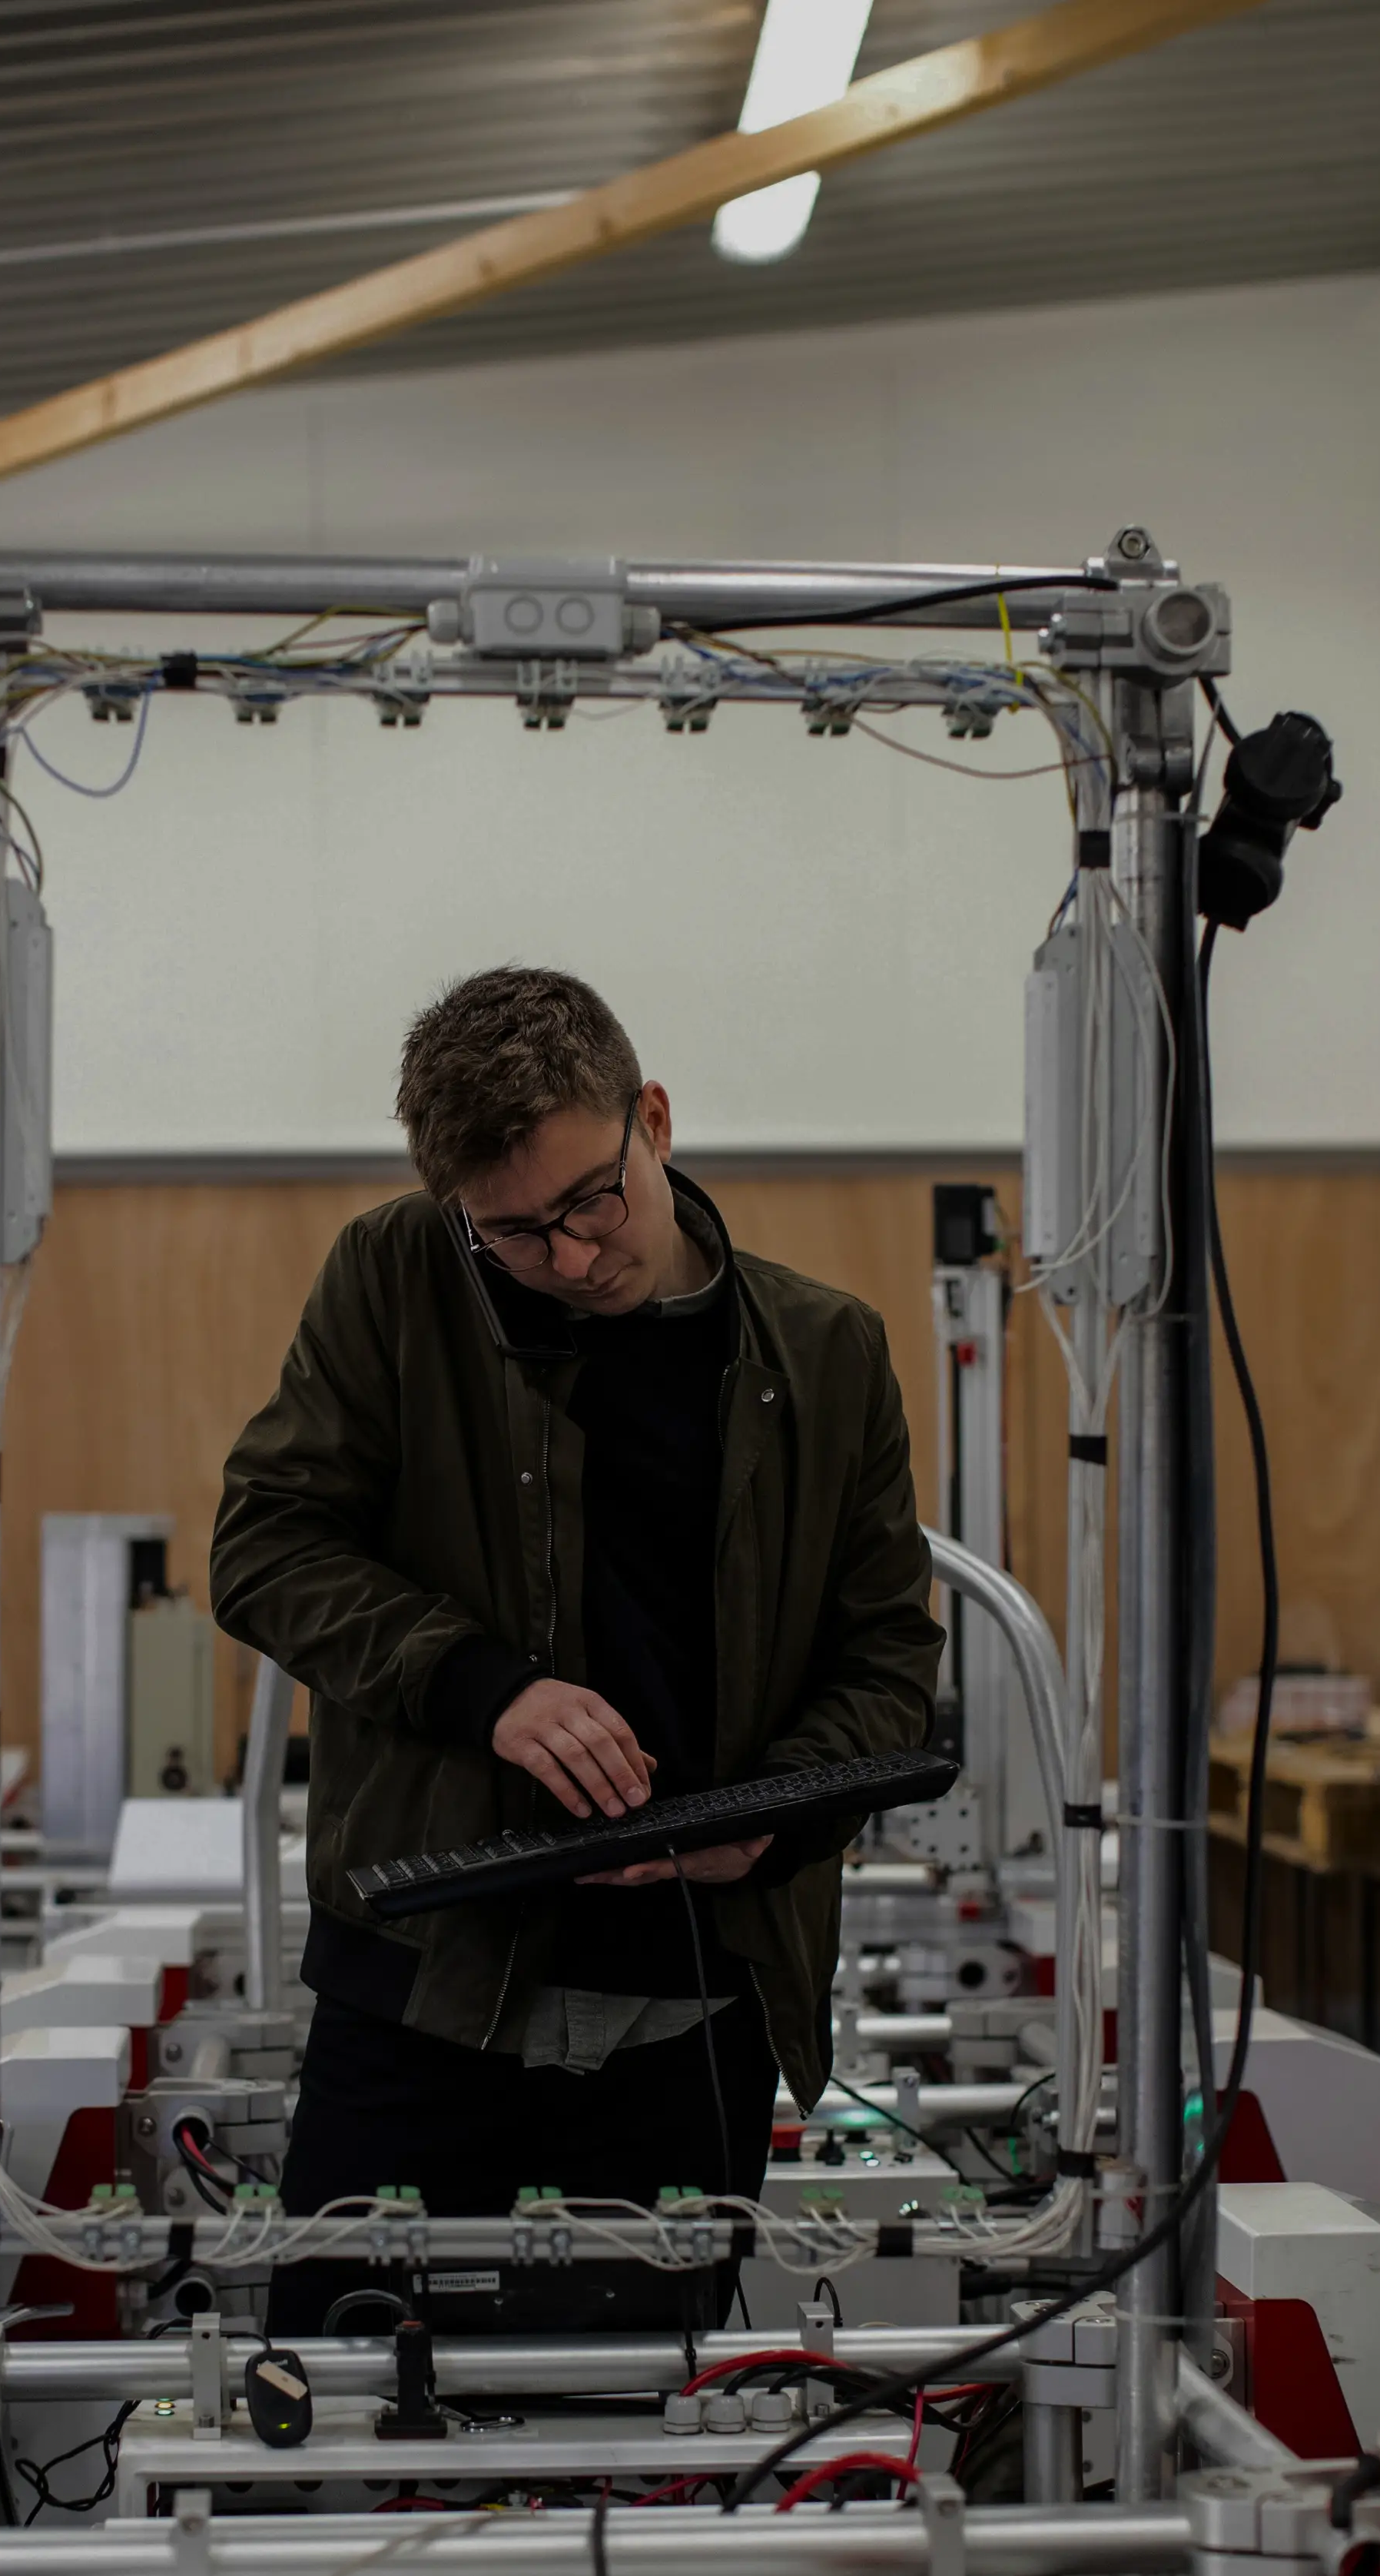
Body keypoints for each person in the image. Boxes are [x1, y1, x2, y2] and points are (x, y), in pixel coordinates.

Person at [211, 964, 942, 2329]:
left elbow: (889, 1664)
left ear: (651, 1120)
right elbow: (266, 1548)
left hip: (690, 2016)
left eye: (589, 1202)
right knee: (344, 2403)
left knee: (643, 2433)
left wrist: (769, 1822)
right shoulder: (398, 1277)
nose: (566, 1257)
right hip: (423, 2003)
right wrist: (482, 1688)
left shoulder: (828, 1355)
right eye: (509, 1232)